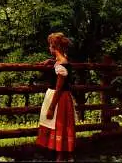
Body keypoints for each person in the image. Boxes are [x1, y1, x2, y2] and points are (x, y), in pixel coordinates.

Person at [36, 32, 76, 162]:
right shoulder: (61, 61)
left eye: (50, 46)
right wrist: (51, 61)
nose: (49, 48)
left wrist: (52, 107)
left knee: (60, 124)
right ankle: (62, 154)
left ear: (54, 47)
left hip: (59, 98)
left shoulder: (61, 65)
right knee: (59, 125)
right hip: (58, 96)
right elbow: (61, 61)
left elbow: (59, 88)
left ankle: (61, 155)